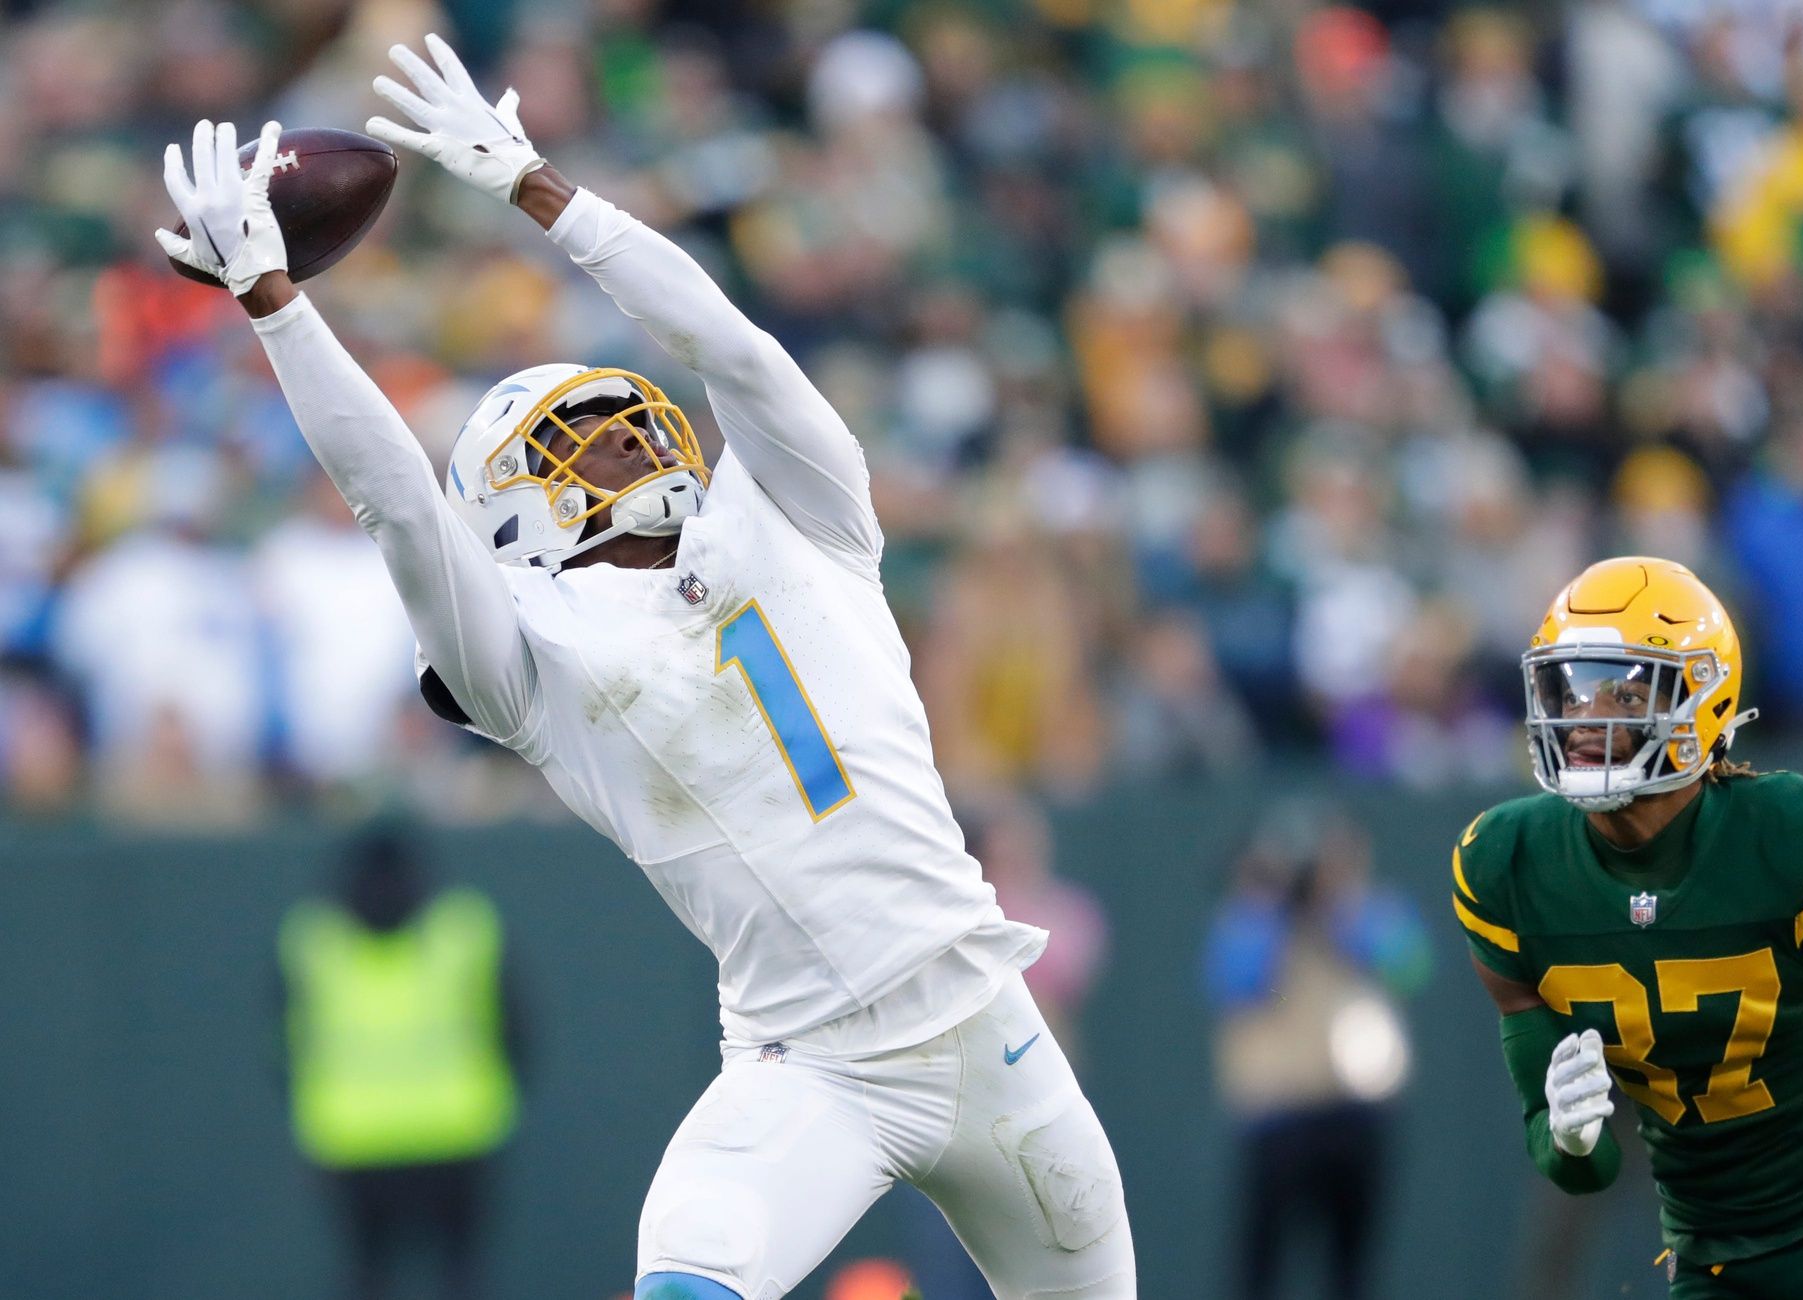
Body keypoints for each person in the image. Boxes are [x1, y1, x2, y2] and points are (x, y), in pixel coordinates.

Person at [155, 34, 1133, 1300]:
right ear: (507, 511)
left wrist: (540, 190)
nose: (621, 437)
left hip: (993, 1028)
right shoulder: (526, 658)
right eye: (575, 439)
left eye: (624, 417)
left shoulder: (792, 511)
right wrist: (278, 304)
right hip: (812, 1066)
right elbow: (396, 503)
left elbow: (731, 346)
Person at [1454, 555, 1803, 1298]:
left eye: (1621, 692)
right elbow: (1578, 1167)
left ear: (1700, 701)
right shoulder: (1507, 866)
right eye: (1569, 690)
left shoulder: (1784, 836)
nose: (1582, 719)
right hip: (1708, 1252)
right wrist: (1568, 1133)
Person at [277, 827, 525, 1300]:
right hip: (460, 1132)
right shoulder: (467, 928)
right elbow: (517, 1030)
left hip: (349, 1139)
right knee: (461, 1277)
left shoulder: (311, 937)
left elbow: (284, 1043)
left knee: (366, 1277)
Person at [1205, 803, 1428, 1300]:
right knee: (1259, 1269)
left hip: (1355, 1112)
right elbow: (1235, 980)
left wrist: (1339, 908)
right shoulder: (1250, 920)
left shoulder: (1373, 910)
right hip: (1277, 1113)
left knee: (1351, 1268)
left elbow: (1411, 968)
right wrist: (1272, 903)